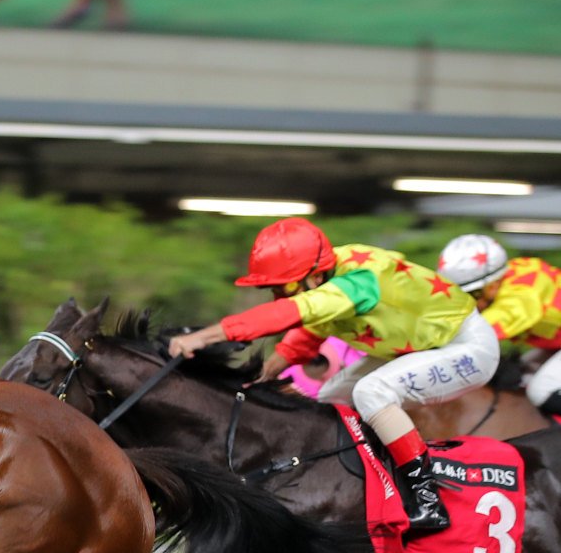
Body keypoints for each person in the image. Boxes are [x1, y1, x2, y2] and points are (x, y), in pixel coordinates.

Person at [168, 217, 498, 535]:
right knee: (327, 399)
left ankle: (428, 499)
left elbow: (294, 313)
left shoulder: (357, 280)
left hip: (467, 346)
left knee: (371, 392)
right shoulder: (327, 277)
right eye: (274, 289)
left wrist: (204, 337)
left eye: (286, 287)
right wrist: (272, 368)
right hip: (418, 348)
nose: (280, 296)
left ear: (315, 275)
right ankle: (363, 479)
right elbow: (312, 328)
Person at [439, 233, 561, 419]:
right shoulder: (504, 278)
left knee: (541, 391)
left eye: (472, 295)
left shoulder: (524, 291)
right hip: (553, 344)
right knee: (523, 379)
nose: (469, 303)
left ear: (493, 284)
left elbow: (487, 328)